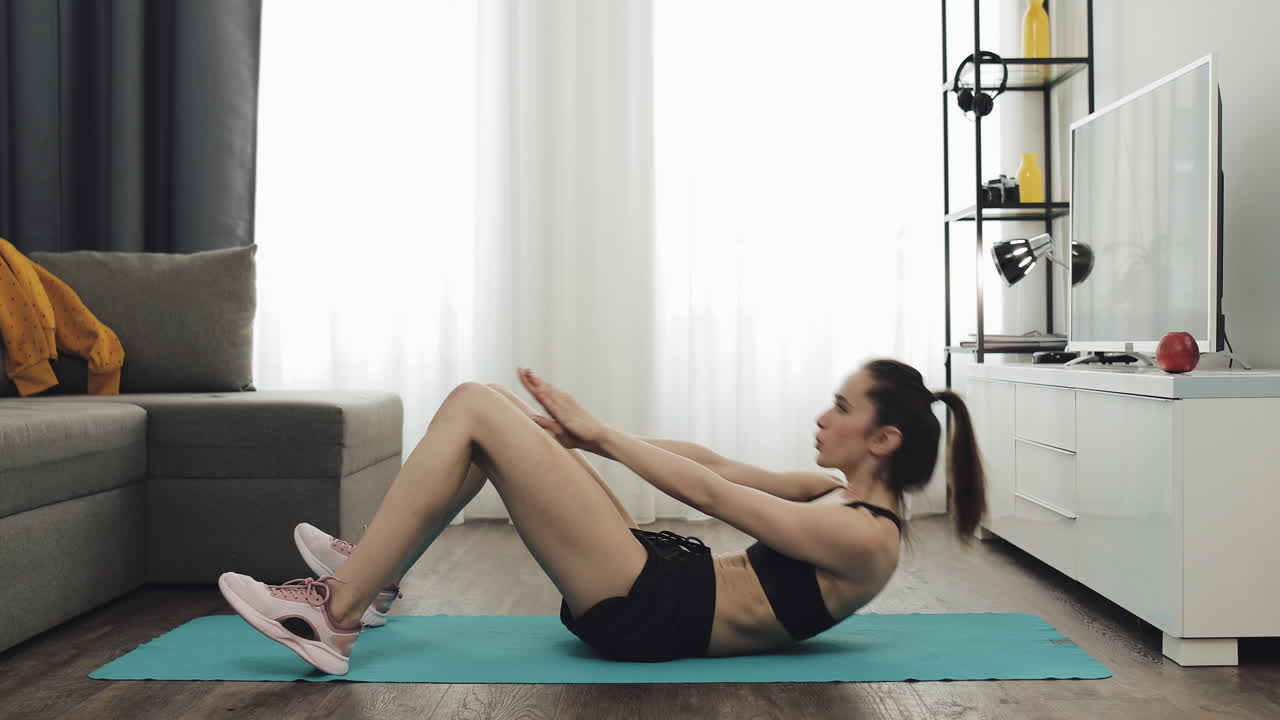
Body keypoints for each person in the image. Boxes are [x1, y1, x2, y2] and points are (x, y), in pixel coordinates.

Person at [218, 358, 986, 674]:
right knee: (491, 427)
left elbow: (715, 498)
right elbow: (720, 468)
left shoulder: (863, 538)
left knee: (476, 405)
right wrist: (584, 441)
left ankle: (336, 614)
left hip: (650, 607)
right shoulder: (832, 498)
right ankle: (375, 580)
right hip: (656, 579)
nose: (824, 416)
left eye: (842, 407)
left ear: (883, 440)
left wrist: (602, 436)